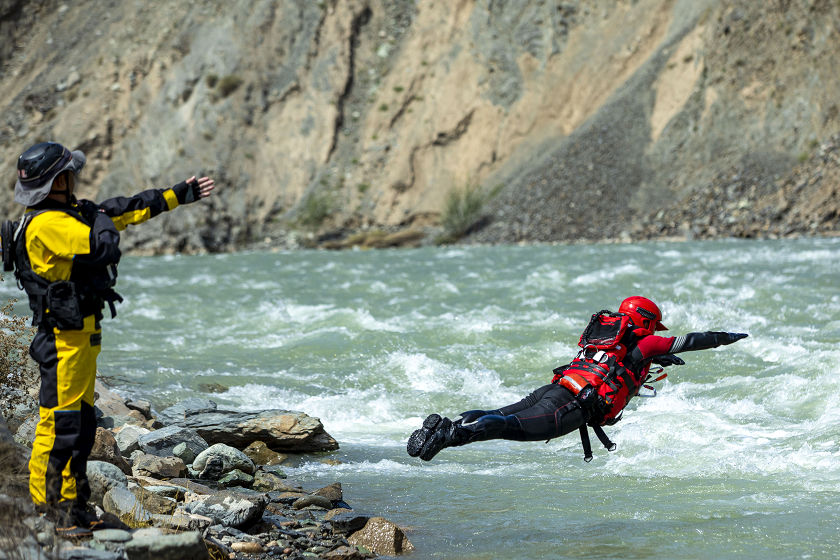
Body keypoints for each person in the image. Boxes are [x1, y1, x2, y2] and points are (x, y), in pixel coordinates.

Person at [2, 142, 214, 530]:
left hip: (77, 341)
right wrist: (98, 215)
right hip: (64, 344)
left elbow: (124, 210)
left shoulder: (65, 216)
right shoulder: (52, 224)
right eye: (71, 175)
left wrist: (177, 195)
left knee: (79, 425)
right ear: (57, 182)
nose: (77, 180)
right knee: (62, 427)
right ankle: (54, 509)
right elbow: (103, 246)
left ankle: (67, 503)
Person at [407, 296, 748, 462]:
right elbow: (691, 340)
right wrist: (727, 337)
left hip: (555, 389)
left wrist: (655, 355)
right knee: (508, 426)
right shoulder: (645, 343)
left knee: (499, 412)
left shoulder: (607, 336)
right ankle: (451, 435)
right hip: (571, 407)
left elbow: (622, 364)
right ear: (646, 322)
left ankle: (444, 425)